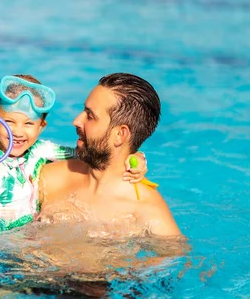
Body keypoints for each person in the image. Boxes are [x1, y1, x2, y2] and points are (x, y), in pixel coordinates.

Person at [0, 75, 155, 235]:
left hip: (29, 242)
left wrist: (135, 156)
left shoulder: (40, 151)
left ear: (41, 127)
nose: (18, 132)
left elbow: (88, 154)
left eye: (28, 124)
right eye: (9, 122)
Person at [38, 72, 181, 236]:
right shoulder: (49, 177)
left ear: (120, 134)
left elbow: (176, 258)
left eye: (90, 116)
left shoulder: (147, 210)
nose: (77, 121)